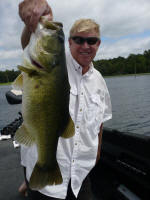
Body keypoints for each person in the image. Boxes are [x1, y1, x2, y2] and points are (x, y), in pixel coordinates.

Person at [18, 0, 112, 199]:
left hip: (81, 174)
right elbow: (28, 42)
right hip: (46, 178)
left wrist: (96, 154)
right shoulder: (55, 63)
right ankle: (29, 183)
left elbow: (100, 121)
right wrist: (31, 21)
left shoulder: (99, 81)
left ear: (98, 44)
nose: (85, 46)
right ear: (69, 42)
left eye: (91, 41)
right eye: (78, 40)